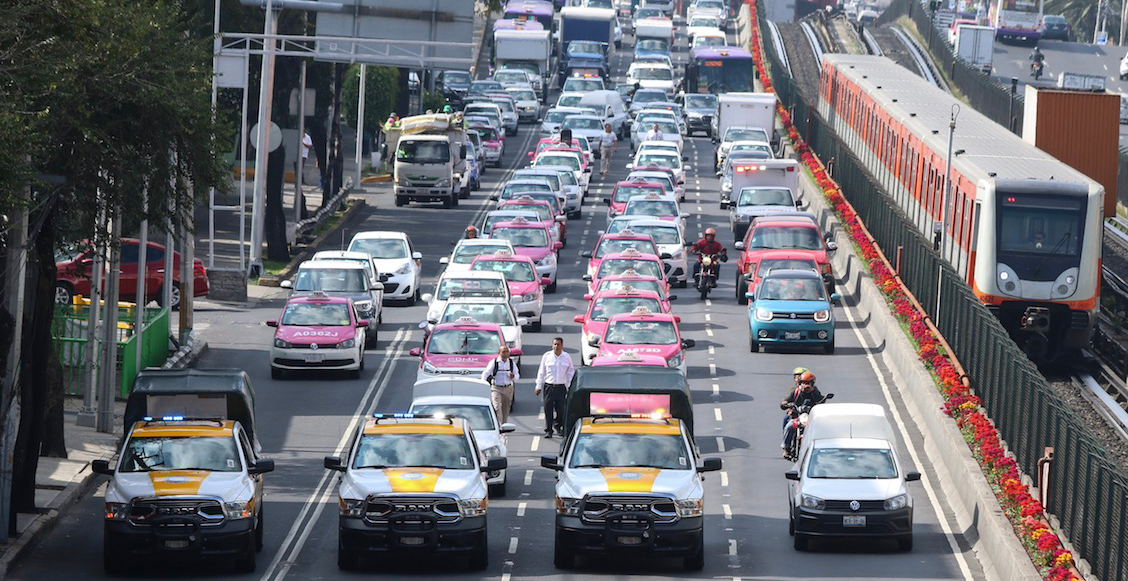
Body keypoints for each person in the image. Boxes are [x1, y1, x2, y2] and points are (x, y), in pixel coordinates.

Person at [535, 337, 575, 438]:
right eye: (555, 344)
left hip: (561, 387)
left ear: (562, 345)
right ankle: (548, 430)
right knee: (548, 409)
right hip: (549, 387)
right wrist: (538, 385)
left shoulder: (566, 357)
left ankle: (558, 425)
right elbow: (541, 371)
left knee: (561, 409)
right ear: (552, 345)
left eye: (558, 344)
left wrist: (570, 386)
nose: (556, 346)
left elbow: (570, 372)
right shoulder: (547, 356)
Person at [780, 371, 823, 457]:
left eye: (808, 383)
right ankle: (786, 448)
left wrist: (813, 392)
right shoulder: (795, 391)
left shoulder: (815, 391)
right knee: (789, 426)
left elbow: (821, 400)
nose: (805, 385)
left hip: (811, 418)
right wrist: (786, 404)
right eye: (803, 383)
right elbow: (785, 401)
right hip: (797, 417)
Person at [482, 345, 520, 424]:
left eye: (507, 352)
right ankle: (499, 426)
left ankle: (504, 425)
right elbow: (486, 373)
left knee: (505, 409)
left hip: (508, 388)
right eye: (503, 352)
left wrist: (513, 376)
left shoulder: (511, 363)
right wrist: (483, 384)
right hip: (496, 388)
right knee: (497, 407)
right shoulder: (494, 362)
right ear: (499, 353)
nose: (505, 354)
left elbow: (517, 376)